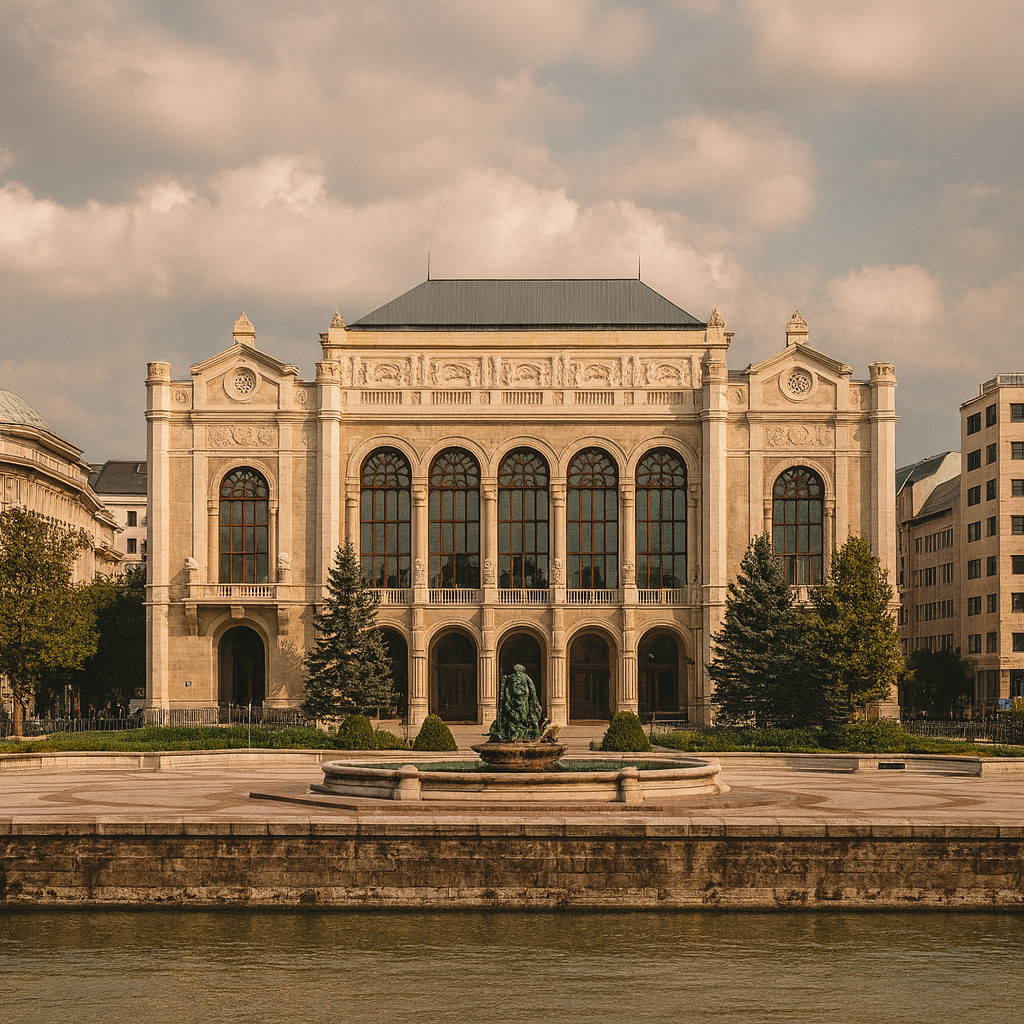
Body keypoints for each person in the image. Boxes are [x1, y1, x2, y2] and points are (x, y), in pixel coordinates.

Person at [488, 664, 547, 742]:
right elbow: (532, 690)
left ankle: (522, 733)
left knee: (521, 717)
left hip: (521, 702)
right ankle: (518, 733)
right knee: (518, 717)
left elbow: (531, 690)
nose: (518, 673)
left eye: (520, 671)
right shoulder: (523, 678)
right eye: (517, 671)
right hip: (519, 702)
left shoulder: (516, 678)